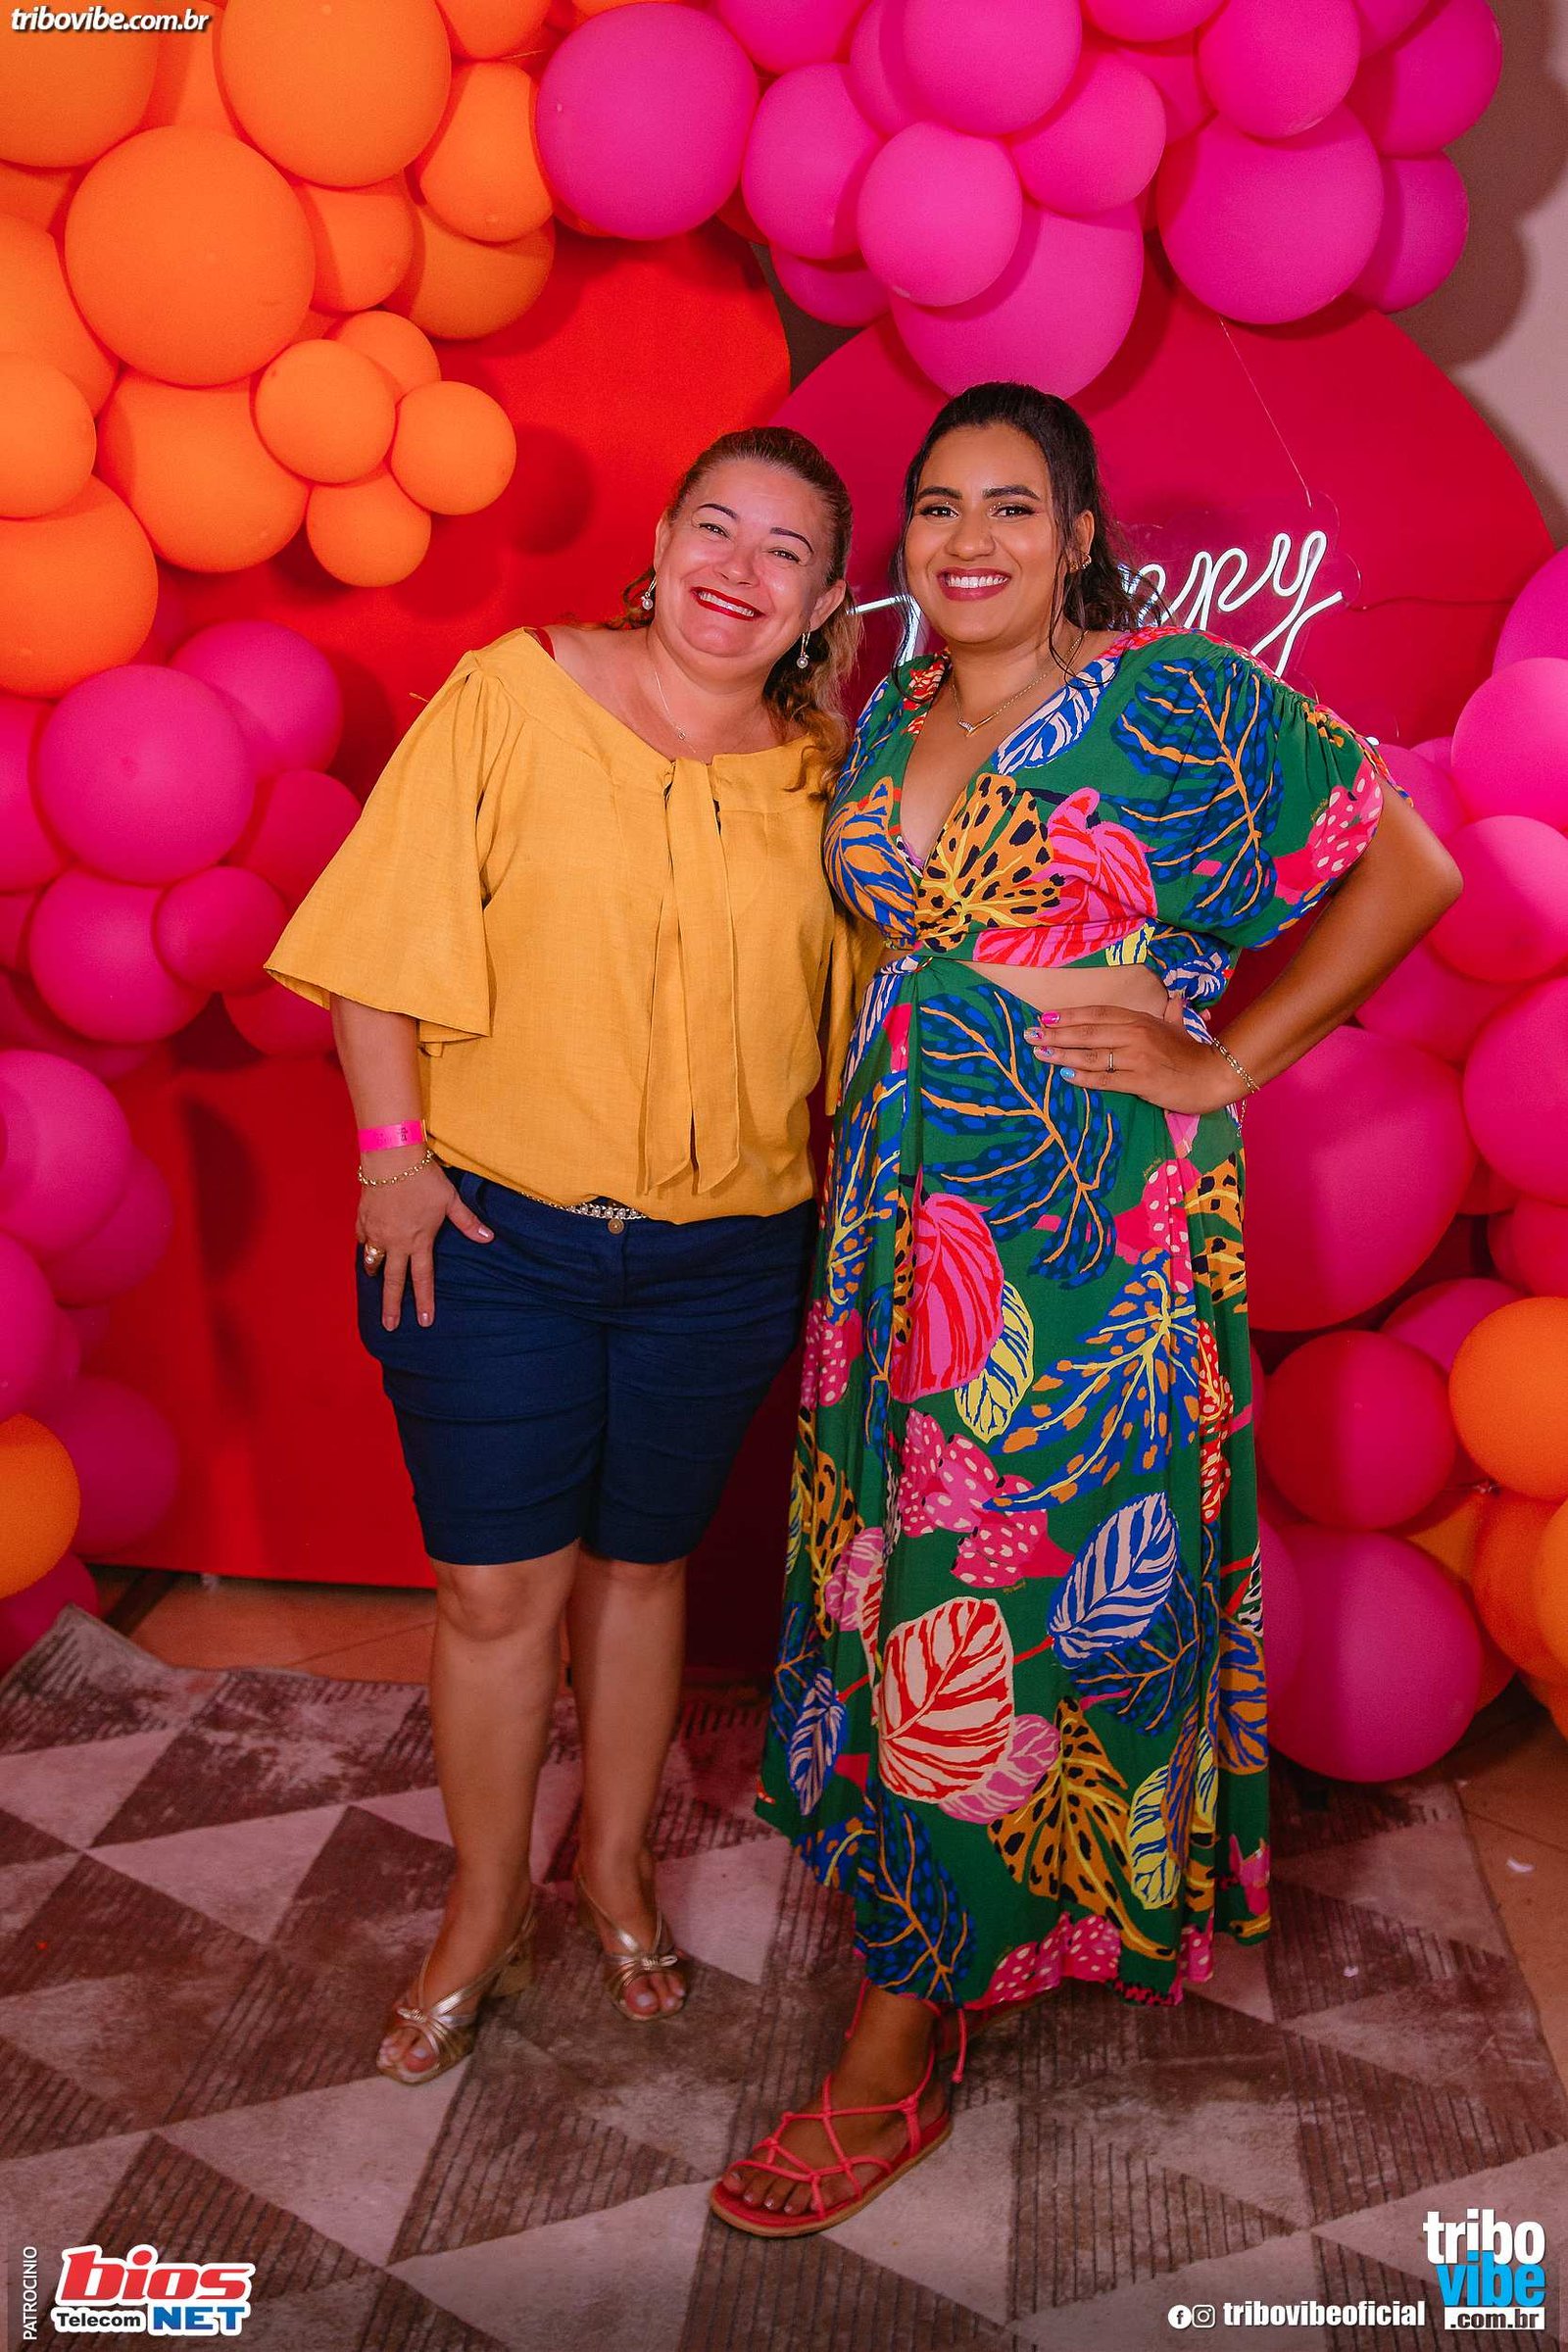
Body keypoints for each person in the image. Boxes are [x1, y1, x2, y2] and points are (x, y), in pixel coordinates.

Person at [712, 381, 1461, 2235]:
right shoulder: (890, 710)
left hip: (1083, 1232)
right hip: (902, 1224)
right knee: (905, 1581)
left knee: (991, 1599)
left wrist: (1228, 1062)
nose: (969, 540)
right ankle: (951, 1933)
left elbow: (1414, 866)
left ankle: (896, 2042)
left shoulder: (1176, 697)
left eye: (1013, 507)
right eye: (938, 507)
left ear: (1078, 540)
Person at [268, 425, 876, 2080]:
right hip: (492, 1235)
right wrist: (393, 1158)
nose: (739, 571)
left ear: (824, 604)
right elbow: (373, 944)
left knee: (640, 1572)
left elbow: (864, 1030)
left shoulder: (827, 783)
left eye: (786, 553)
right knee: (493, 1592)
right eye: (716, 528)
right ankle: (482, 1905)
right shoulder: (513, 695)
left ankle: (613, 1866)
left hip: (725, 1259)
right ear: (661, 539)